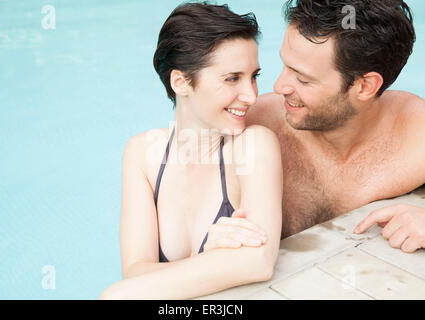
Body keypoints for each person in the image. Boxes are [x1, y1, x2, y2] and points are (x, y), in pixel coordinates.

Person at [99, 2, 283, 299]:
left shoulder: (253, 146)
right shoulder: (142, 155)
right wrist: (211, 257)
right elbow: (133, 272)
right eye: (232, 78)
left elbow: (258, 262)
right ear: (181, 82)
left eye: (254, 76)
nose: (251, 96)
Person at [244, 0, 425, 253]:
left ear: (364, 86)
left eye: (303, 79)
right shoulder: (253, 127)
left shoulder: (416, 133)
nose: (279, 86)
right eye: (285, 66)